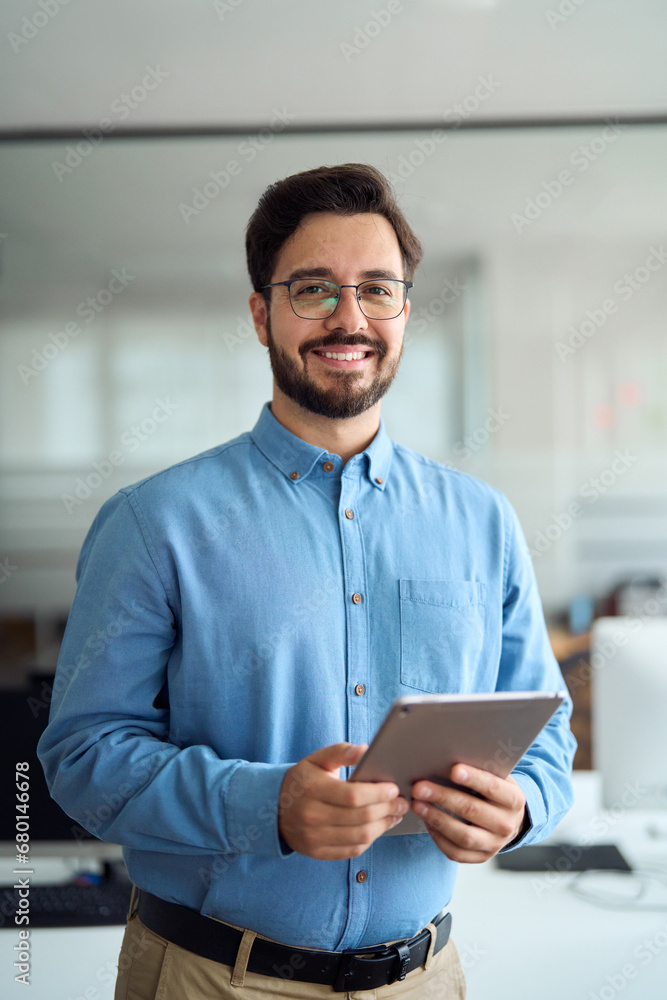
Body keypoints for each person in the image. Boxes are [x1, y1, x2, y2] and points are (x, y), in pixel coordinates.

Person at [38, 163, 576, 999]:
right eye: (314, 289)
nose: (348, 318)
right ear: (262, 314)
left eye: (376, 289)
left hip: (425, 978)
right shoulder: (155, 523)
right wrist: (265, 808)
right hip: (211, 978)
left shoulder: (484, 522)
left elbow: (545, 731)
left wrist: (524, 808)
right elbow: (81, 756)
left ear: (404, 311)